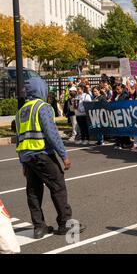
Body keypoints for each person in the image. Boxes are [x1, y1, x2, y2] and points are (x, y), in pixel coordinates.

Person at [15, 77, 86, 239]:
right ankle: (65, 223)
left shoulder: (21, 112)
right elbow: (52, 134)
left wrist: (23, 164)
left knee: (33, 192)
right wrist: (64, 155)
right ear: (40, 89)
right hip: (43, 154)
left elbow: (19, 139)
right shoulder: (43, 107)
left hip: (28, 158)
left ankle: (39, 227)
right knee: (58, 186)